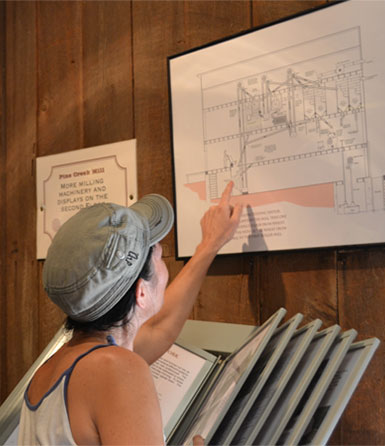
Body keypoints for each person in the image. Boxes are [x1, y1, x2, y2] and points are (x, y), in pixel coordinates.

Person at [19, 182, 242, 445]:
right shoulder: (116, 369)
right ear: (141, 292)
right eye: (160, 257)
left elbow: (160, 327)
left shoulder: (62, 365)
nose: (163, 265)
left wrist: (210, 245)